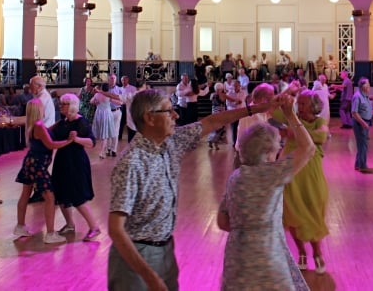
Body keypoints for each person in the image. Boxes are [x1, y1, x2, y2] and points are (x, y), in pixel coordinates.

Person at [107, 89, 284, 290]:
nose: (176, 115)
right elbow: (116, 229)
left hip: (164, 249)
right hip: (135, 257)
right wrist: (150, 276)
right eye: (168, 111)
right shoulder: (131, 163)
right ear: (149, 118)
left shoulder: (171, 142)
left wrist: (259, 108)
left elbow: (211, 122)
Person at [217, 97, 314, 290]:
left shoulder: (235, 178)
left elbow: (223, 222)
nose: (280, 147)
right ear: (269, 151)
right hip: (268, 254)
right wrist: (290, 114)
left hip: (237, 256)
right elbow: (308, 148)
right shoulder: (272, 174)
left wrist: (247, 227)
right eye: (278, 143)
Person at [279, 89, 330, 275]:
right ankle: (301, 252)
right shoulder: (292, 118)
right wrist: (287, 93)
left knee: (314, 210)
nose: (298, 106)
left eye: (302, 103)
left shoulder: (319, 121)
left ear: (313, 106)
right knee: (291, 212)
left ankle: (317, 252)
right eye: (297, 102)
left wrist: (296, 132)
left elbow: (321, 136)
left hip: (312, 173)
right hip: (290, 171)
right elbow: (271, 115)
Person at [13, 99, 72, 243]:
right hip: (38, 165)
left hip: (30, 162)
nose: (44, 107)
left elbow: (47, 132)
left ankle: (20, 226)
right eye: (42, 106)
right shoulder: (38, 125)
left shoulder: (35, 125)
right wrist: (69, 141)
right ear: (38, 109)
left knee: (25, 194)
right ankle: (50, 234)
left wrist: (60, 123)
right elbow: (51, 144)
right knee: (50, 197)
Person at [51, 94, 100, 242]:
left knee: (77, 197)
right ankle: (70, 224)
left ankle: (94, 227)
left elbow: (91, 143)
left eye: (63, 104)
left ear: (71, 105)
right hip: (62, 161)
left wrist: (76, 139)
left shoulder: (81, 122)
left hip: (76, 162)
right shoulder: (62, 122)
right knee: (61, 194)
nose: (61, 107)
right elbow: (50, 133)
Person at [27, 75, 56, 203]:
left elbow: (34, 118)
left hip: (43, 136)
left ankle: (48, 193)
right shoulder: (40, 97)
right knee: (39, 166)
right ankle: (41, 191)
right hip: (41, 135)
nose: (29, 87)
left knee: (40, 165)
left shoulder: (42, 99)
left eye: (31, 85)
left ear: (39, 86)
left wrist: (11, 120)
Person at [351, 77, 373, 172]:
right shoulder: (357, 96)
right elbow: (354, 112)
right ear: (363, 86)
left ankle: (358, 164)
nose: (369, 86)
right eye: (367, 84)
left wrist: (372, 112)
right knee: (363, 145)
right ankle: (363, 166)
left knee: (362, 145)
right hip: (360, 124)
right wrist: (363, 123)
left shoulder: (365, 95)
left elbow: (365, 108)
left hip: (365, 123)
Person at [90, 83, 117, 159]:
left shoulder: (97, 95)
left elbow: (91, 101)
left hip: (99, 113)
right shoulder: (108, 95)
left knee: (103, 134)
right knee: (105, 135)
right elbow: (116, 101)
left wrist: (96, 102)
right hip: (106, 114)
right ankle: (101, 152)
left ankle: (103, 151)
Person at [106, 74, 123, 157]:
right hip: (107, 112)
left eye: (113, 78)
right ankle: (108, 148)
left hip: (116, 112)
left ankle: (114, 150)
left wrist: (111, 99)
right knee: (108, 131)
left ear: (116, 80)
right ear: (108, 80)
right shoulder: (105, 89)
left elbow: (121, 102)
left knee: (115, 131)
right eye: (110, 78)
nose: (112, 80)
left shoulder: (119, 90)